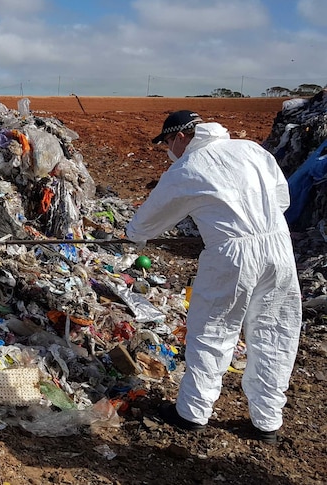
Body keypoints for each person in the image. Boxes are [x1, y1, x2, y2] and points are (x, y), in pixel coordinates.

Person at [126, 110, 302, 444]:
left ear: (181, 137)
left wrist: (132, 234)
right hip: (279, 248)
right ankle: (267, 422)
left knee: (213, 329)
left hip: (231, 256)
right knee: (275, 331)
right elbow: (282, 198)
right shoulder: (252, 149)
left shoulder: (187, 168)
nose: (167, 150)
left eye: (166, 142)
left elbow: (147, 222)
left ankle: (192, 412)